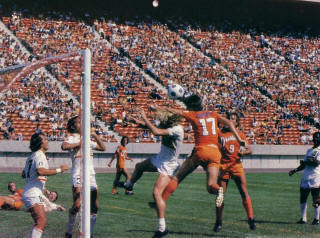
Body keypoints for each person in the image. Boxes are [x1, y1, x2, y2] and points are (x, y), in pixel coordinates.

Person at [158, 95, 245, 226]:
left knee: (178, 177)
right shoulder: (213, 114)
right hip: (215, 153)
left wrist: (157, 107)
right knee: (211, 185)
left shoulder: (193, 114)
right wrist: (239, 139)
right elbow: (229, 123)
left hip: (201, 150)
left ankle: (161, 200)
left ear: (192, 106)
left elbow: (173, 111)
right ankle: (218, 190)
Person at [124, 107, 183, 238]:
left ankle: (162, 229)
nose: (159, 121)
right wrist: (134, 120)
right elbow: (147, 125)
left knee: (156, 194)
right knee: (139, 166)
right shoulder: (168, 124)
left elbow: (155, 131)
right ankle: (128, 185)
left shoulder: (177, 129)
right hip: (160, 159)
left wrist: (144, 116)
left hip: (169, 165)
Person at [61, 116, 106, 238]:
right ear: (72, 126)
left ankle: (89, 233)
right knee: (77, 205)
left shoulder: (88, 139)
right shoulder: (71, 138)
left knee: (94, 206)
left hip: (90, 175)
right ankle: (69, 232)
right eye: (78, 122)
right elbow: (64, 146)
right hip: (78, 175)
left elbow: (103, 148)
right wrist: (80, 143)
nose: (81, 123)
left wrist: (94, 135)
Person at [214, 112, 256, 232]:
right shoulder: (219, 133)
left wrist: (242, 152)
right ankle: (218, 221)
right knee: (220, 195)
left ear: (237, 122)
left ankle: (251, 218)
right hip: (223, 166)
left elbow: (250, 150)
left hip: (236, 166)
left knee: (244, 191)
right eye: (228, 118)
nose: (230, 120)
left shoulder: (240, 134)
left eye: (233, 119)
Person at [21, 132, 68, 238]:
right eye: (45, 139)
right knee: (41, 221)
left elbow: (24, 174)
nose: (47, 141)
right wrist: (60, 169)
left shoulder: (31, 156)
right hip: (33, 193)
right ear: (40, 143)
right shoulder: (39, 155)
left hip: (31, 191)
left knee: (40, 221)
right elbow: (41, 171)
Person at [289, 131, 320, 225]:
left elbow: (316, 163)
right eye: (314, 137)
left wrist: (306, 162)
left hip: (315, 176)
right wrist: (294, 170)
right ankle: (303, 219)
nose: (315, 139)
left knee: (316, 199)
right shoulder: (309, 151)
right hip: (305, 176)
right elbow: (304, 165)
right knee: (303, 197)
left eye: (317, 137)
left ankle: (316, 219)